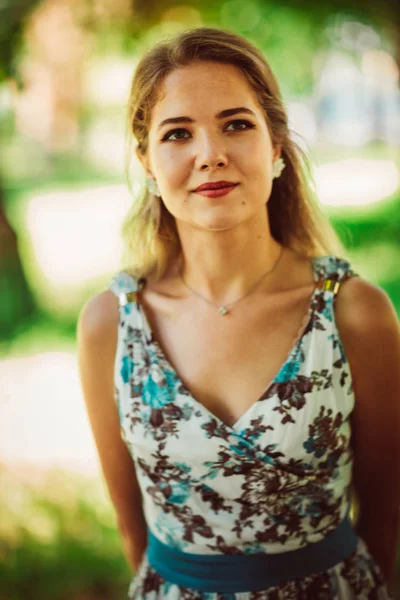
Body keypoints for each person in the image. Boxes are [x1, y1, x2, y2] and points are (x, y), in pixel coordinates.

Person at [77, 26, 400, 599]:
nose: (211, 155)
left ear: (276, 147)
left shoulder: (354, 313)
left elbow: (385, 515)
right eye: (178, 133)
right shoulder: (111, 323)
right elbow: (134, 533)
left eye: (236, 124)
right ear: (148, 163)